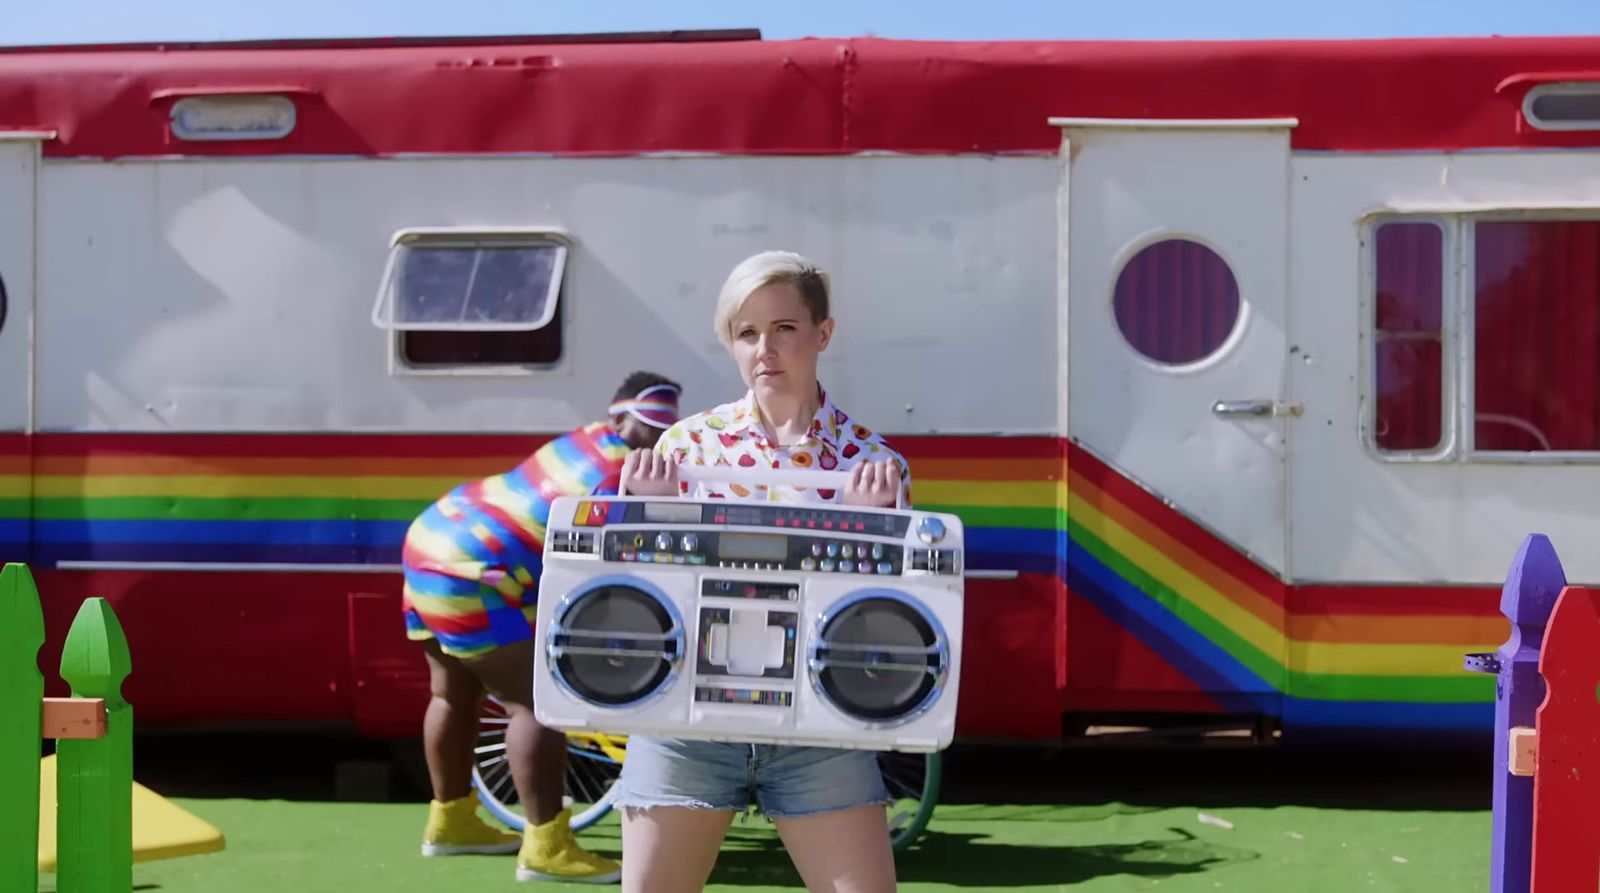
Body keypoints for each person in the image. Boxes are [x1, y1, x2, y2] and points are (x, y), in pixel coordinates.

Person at [617, 250, 911, 893]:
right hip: (685, 720)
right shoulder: (683, 447)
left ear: (822, 334)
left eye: (783, 328)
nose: (764, 350)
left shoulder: (871, 462)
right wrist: (645, 517)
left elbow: (892, 622)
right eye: (746, 334)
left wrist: (872, 530)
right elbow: (634, 603)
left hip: (822, 723)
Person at [400, 371, 683, 884]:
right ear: (621, 417)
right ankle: (546, 847)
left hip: (433, 538)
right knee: (539, 702)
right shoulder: (615, 473)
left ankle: (451, 822)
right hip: (478, 567)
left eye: (669, 426)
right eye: (650, 425)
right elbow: (607, 569)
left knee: (452, 694)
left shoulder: (588, 436)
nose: (660, 438)